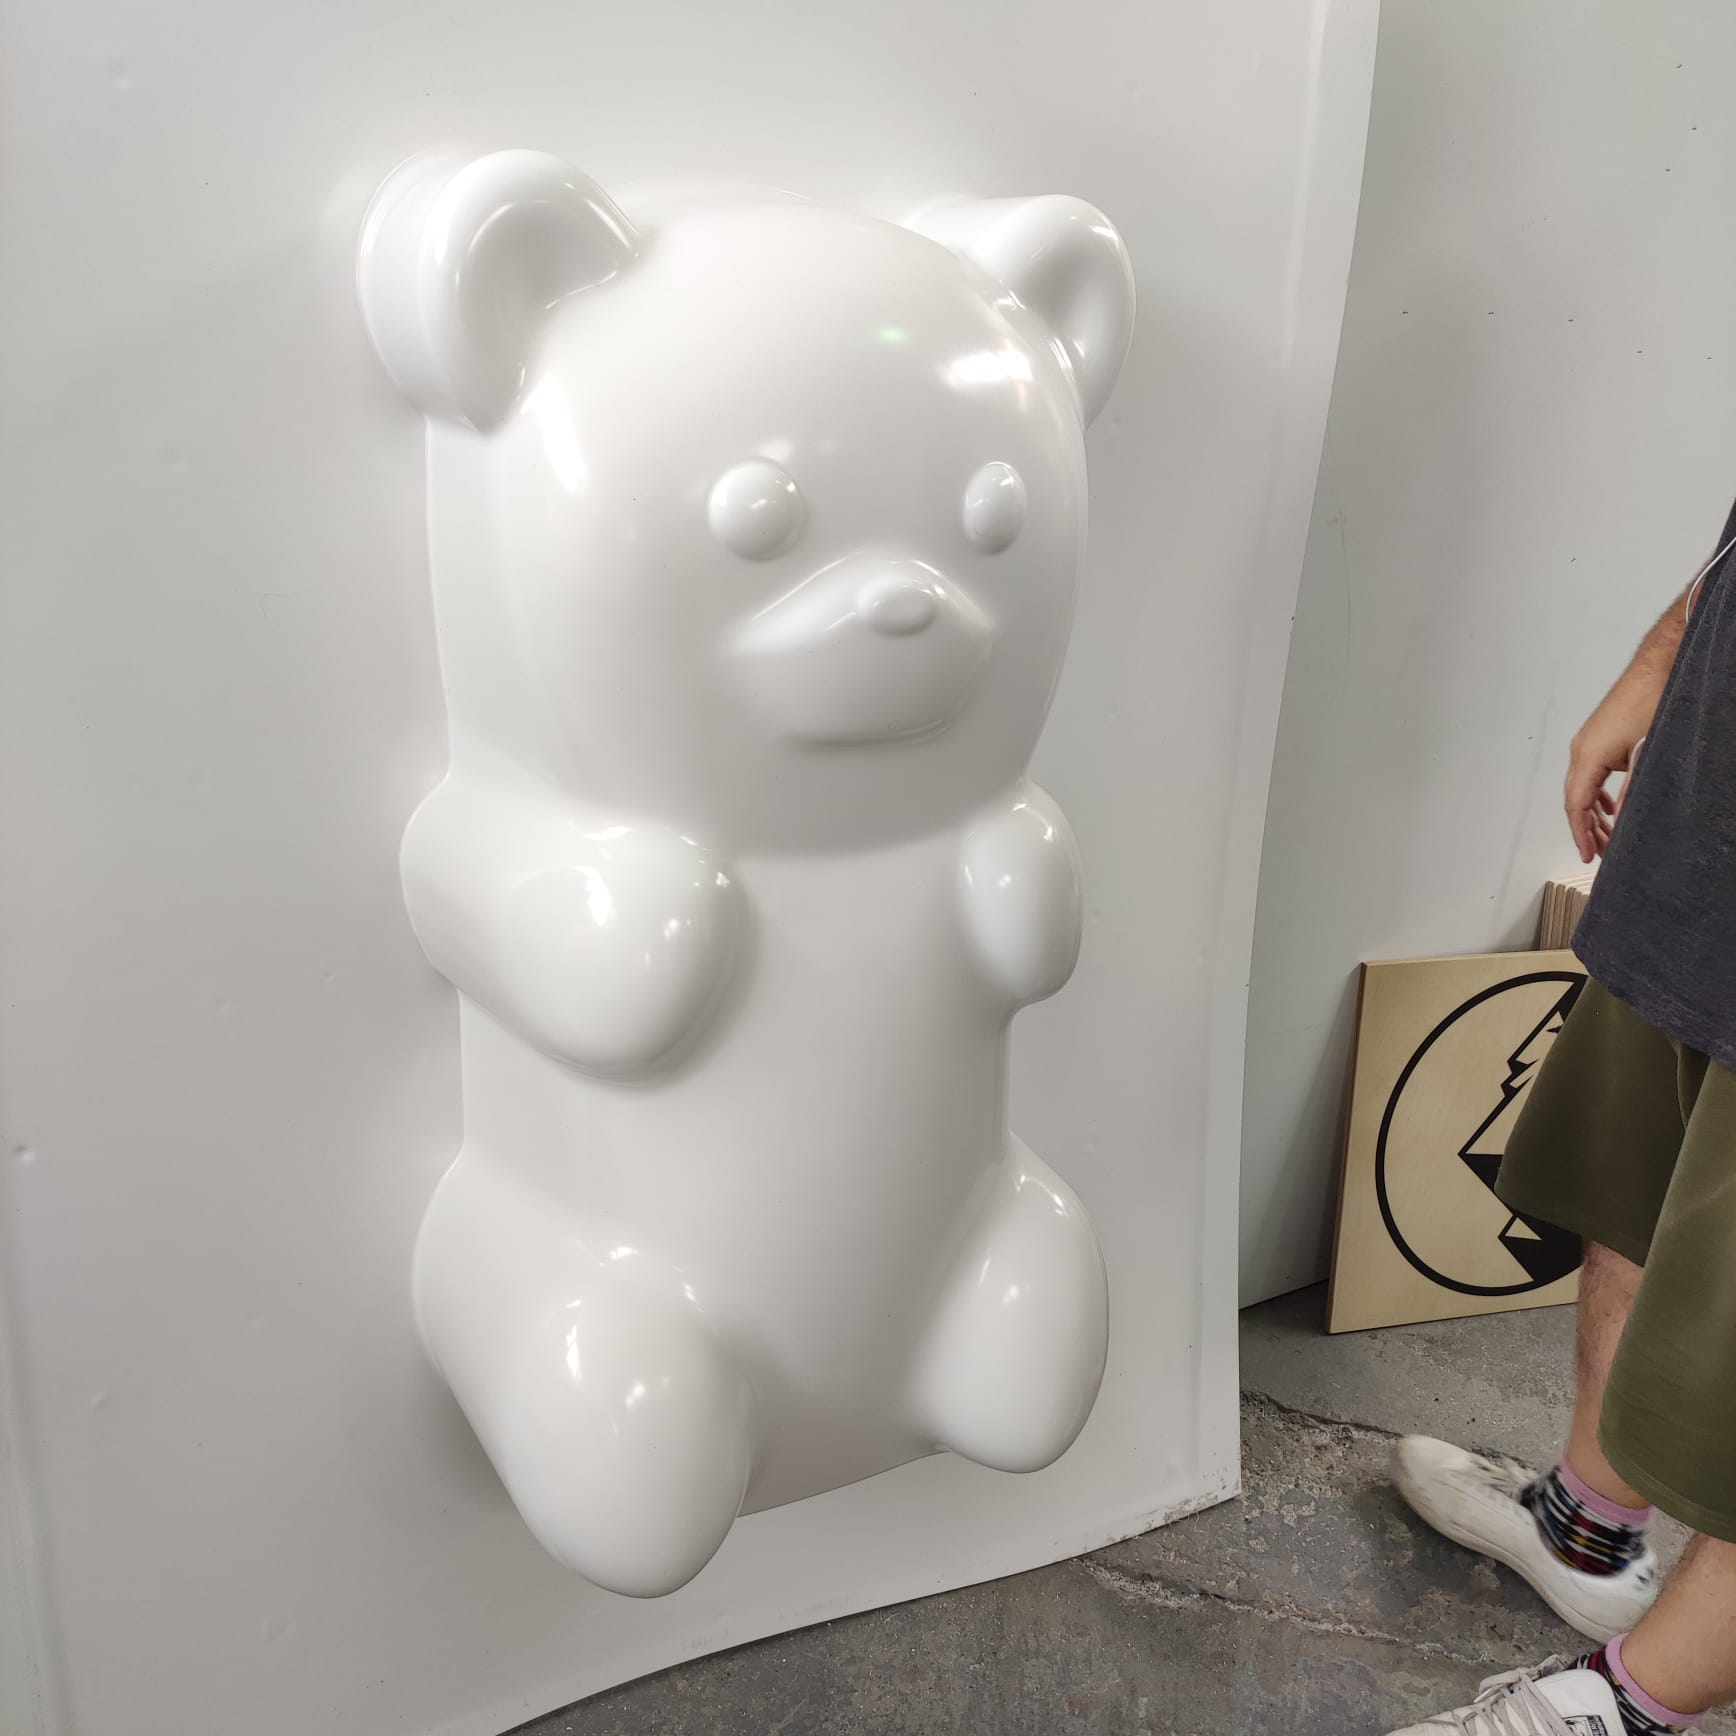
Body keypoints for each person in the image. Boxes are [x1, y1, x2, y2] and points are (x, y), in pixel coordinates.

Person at [1385, 495, 1736, 1736]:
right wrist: (1657, 669)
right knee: (1626, 1188)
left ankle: (1633, 1707)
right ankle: (1585, 1529)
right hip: (1706, 834)